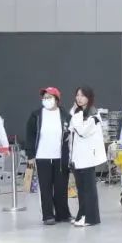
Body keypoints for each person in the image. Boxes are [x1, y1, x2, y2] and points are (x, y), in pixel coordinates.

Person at [25, 87, 71, 225]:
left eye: (49, 97)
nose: (46, 100)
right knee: (45, 187)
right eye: (44, 97)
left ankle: (63, 214)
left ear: (57, 99)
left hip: (60, 157)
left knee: (61, 187)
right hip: (42, 156)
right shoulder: (36, 115)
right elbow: (30, 135)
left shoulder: (65, 115)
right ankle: (48, 215)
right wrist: (30, 154)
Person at [68, 86, 107, 227]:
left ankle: (91, 218)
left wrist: (74, 114)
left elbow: (82, 131)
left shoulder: (93, 116)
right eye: (77, 95)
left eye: (82, 95)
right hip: (77, 158)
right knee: (81, 189)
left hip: (88, 159)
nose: (79, 98)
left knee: (88, 189)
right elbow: (71, 130)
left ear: (89, 98)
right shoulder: (78, 113)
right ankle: (82, 215)